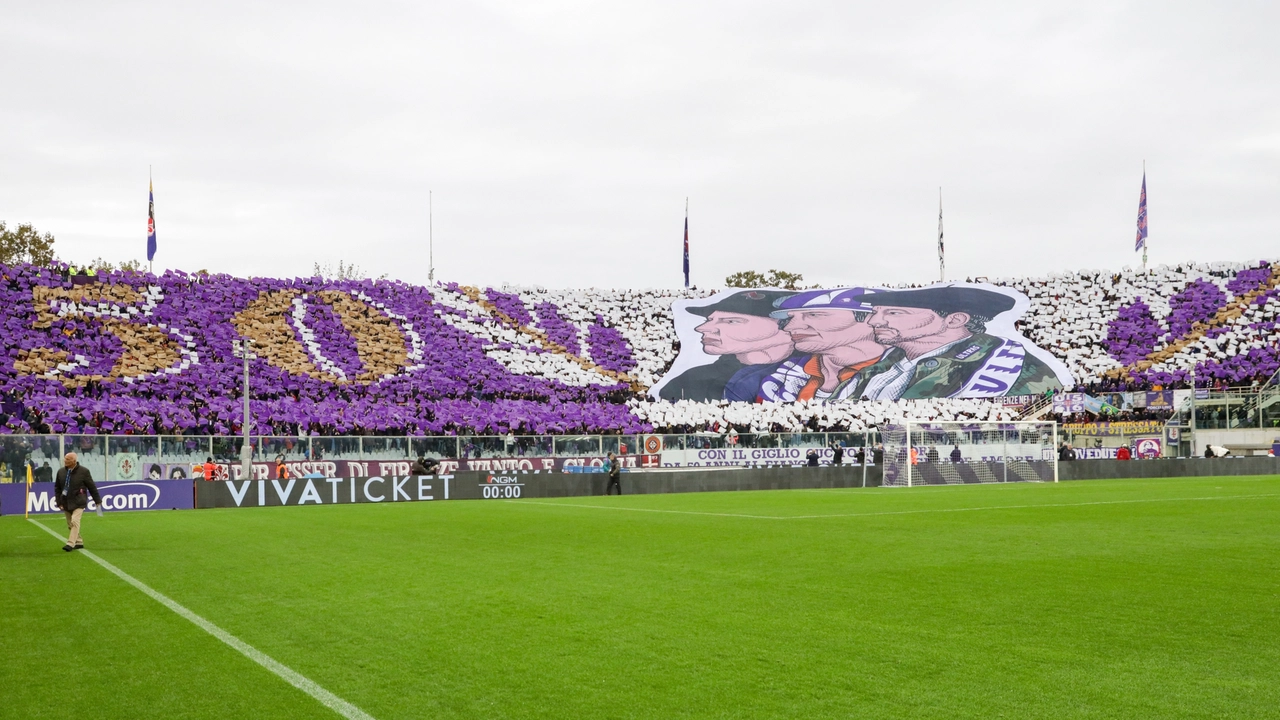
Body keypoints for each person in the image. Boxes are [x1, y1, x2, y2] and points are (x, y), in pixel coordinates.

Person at [838, 286, 1063, 400]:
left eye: (895, 312)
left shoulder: (1005, 364)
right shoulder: (885, 363)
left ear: (955, 319)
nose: (873, 321)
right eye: (875, 312)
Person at [658, 290, 796, 402]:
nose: (702, 328)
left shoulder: (809, 369)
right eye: (709, 320)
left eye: (731, 321)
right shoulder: (690, 380)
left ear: (783, 324)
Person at [758, 289, 887, 402]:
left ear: (870, 319)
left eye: (814, 315)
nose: (789, 327)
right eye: (790, 318)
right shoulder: (783, 375)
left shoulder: (898, 372)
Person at [54, 452, 101, 552]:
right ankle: (79, 541)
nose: (65, 461)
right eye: (65, 459)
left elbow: (91, 486)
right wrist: (59, 502)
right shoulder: (61, 472)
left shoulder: (84, 471)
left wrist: (97, 500)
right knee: (70, 523)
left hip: (79, 501)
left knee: (75, 520)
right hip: (65, 501)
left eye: (68, 459)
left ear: (74, 461)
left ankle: (70, 543)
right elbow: (57, 488)